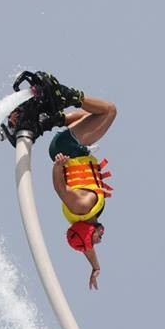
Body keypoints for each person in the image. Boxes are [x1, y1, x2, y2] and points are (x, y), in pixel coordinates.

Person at [48, 92, 116, 290]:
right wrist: (95, 266)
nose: (100, 240)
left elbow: (61, 190)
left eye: (96, 239)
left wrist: (58, 167)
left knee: (108, 111)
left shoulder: (82, 206)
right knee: (90, 117)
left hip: (69, 148)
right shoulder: (82, 218)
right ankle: (54, 120)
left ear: (88, 231)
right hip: (74, 148)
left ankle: (67, 94)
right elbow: (87, 248)